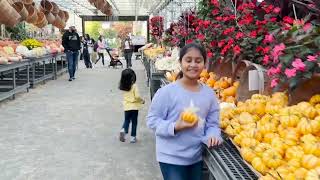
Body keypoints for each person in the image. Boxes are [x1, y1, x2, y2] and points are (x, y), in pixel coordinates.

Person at [146, 43, 222, 180]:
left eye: (198, 61)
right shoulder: (167, 93)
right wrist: (175, 126)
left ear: (204, 64)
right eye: (188, 60)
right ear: (180, 62)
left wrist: (213, 135)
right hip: (170, 157)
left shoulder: (209, 94)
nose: (193, 64)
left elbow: (213, 123)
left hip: (195, 157)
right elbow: (152, 120)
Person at [119, 68, 145, 143]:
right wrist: (142, 101)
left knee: (127, 120)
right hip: (134, 107)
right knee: (134, 122)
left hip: (126, 107)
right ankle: (133, 137)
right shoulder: (134, 86)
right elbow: (137, 97)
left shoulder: (123, 86)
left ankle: (123, 129)